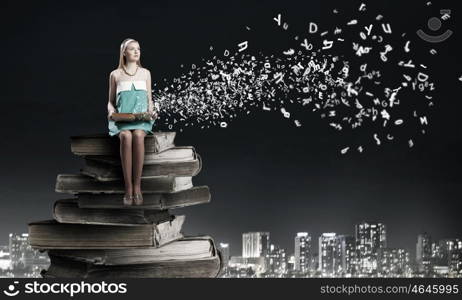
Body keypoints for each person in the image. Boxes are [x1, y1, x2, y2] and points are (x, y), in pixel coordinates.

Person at [107, 38, 157, 206]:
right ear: (124, 53)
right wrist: (111, 111)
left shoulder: (146, 73)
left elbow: (150, 99)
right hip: (122, 119)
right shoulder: (115, 74)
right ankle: (128, 187)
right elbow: (110, 101)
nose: (137, 52)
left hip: (141, 120)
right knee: (126, 137)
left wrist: (152, 110)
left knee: (137, 135)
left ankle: (137, 186)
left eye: (139, 49)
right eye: (132, 49)